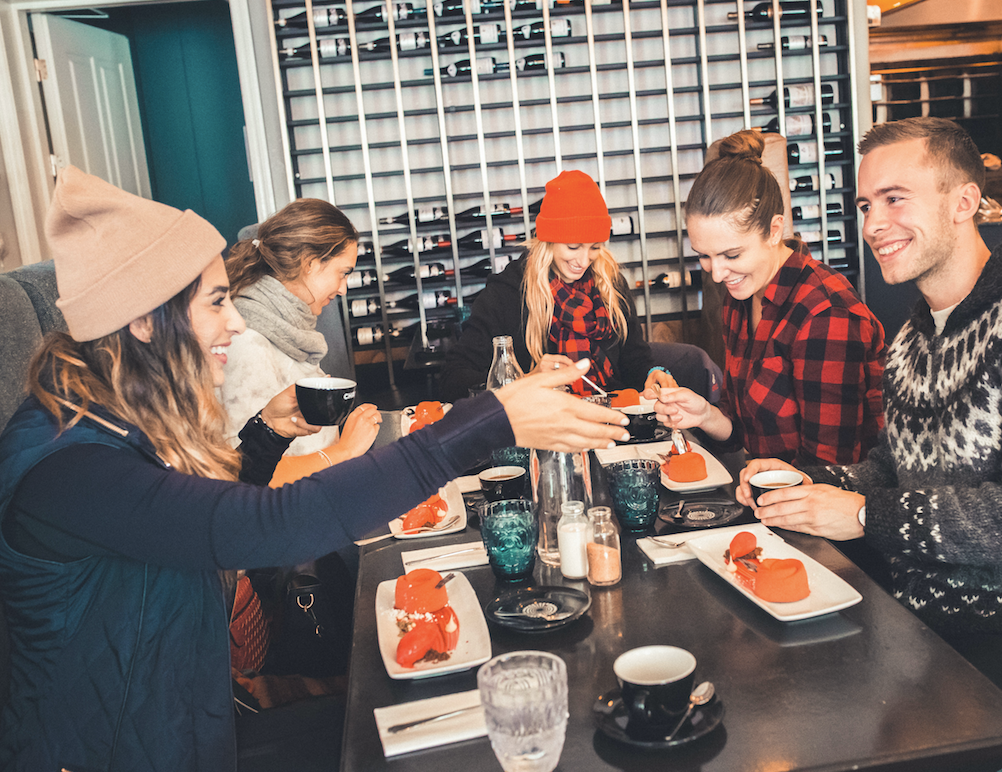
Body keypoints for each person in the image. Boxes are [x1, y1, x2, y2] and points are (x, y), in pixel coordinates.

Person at [0, 166, 629, 772]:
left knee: (454, 721)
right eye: (217, 301)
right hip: (128, 755)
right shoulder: (70, 469)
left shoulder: (105, 425)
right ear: (142, 319)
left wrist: (267, 434)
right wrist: (493, 419)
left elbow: (197, 523)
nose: (237, 319)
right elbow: (266, 528)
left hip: (191, 728)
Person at [738, 117, 1002, 736]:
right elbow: (891, 469)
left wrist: (868, 516)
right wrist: (804, 480)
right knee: (768, 672)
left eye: (896, 199)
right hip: (932, 598)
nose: (873, 225)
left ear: (964, 202)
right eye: (867, 205)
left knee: (869, 737)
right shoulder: (915, 338)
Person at [654, 130, 886, 466]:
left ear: (775, 230)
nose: (717, 273)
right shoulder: (742, 295)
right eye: (704, 256)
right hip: (772, 493)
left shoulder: (825, 312)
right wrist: (705, 414)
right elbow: (741, 430)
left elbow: (831, 468)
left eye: (731, 254)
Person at [439, 169, 678, 401]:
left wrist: (651, 374)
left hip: (610, 419)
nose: (584, 261)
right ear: (548, 241)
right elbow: (453, 380)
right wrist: (527, 380)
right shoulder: (504, 295)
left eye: (594, 247)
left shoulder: (610, 283)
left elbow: (634, 360)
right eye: (573, 247)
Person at [220, 199, 380, 487]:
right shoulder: (246, 344)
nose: (343, 289)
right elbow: (242, 477)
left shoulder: (288, 332)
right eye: (343, 272)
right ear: (310, 264)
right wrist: (345, 451)